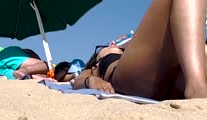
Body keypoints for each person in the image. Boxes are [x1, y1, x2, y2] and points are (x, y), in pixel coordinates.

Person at [73, 0, 207, 100]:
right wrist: (91, 81)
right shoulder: (100, 57)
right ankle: (197, 87)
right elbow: (79, 80)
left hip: (172, 78)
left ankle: (195, 82)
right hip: (131, 80)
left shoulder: (130, 48)